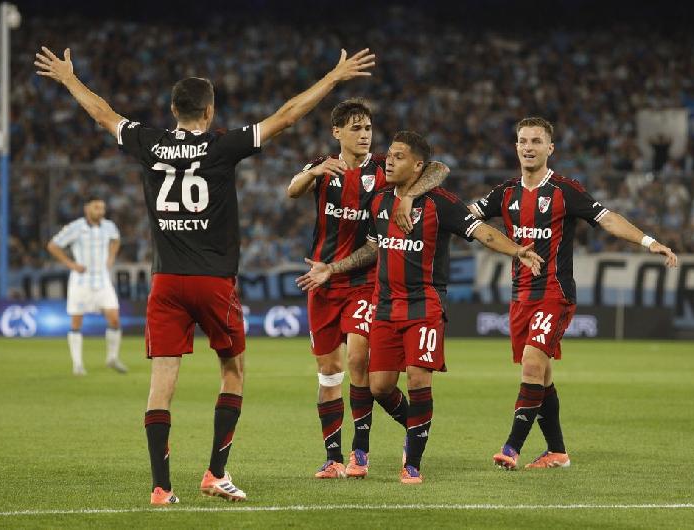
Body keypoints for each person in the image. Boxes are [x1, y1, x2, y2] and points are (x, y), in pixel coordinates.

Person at [35, 45, 375, 503]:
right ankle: (215, 473)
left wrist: (69, 79)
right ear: (210, 110)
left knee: (162, 384)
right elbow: (288, 115)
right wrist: (333, 78)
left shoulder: (148, 142)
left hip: (166, 282)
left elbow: (102, 114)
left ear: (173, 110)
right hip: (214, 281)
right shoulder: (221, 145)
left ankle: (160, 487)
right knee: (232, 371)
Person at [296, 131, 543, 484]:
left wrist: (516, 249)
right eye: (390, 155)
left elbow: (482, 232)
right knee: (379, 386)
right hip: (384, 307)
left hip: (424, 305)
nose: (389, 161)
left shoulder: (441, 203)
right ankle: (416, 427)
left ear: (417, 165)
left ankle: (412, 463)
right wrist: (333, 268)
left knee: (416, 378)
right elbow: (371, 247)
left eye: (398, 157)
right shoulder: (378, 200)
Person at [466, 117, 679, 470]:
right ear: (516, 146)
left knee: (533, 364)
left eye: (536, 141)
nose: (529, 147)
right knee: (543, 375)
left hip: (555, 293)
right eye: (523, 141)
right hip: (521, 296)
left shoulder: (566, 191)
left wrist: (649, 242)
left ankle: (511, 448)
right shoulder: (504, 193)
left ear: (550, 148)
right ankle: (557, 451)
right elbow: (466, 217)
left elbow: (608, 218)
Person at [287, 99, 449, 479]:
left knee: (359, 359)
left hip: (365, 282)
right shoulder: (322, 167)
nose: (364, 135)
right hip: (321, 282)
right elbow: (292, 190)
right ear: (337, 132)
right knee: (329, 373)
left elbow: (439, 169)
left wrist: (408, 196)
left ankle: (360, 453)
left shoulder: (383, 167)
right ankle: (333, 457)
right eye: (356, 128)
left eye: (368, 128)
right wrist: (312, 174)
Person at [47, 196, 127, 376]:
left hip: (103, 280)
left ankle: (112, 358)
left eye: (102, 208)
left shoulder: (109, 226)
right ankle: (77, 364)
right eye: (97, 207)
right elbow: (53, 245)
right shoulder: (76, 227)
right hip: (81, 281)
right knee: (76, 322)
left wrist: (111, 257)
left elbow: (116, 240)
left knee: (114, 318)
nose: (100, 211)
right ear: (87, 208)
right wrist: (71, 264)